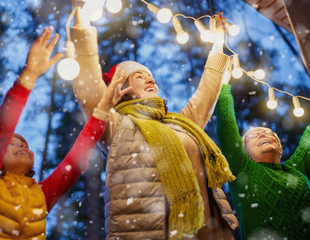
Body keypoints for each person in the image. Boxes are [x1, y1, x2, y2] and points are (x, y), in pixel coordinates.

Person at [70, 10, 238, 240]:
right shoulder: (118, 126)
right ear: (122, 89)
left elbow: (207, 93)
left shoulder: (180, 123)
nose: (150, 79)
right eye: (139, 76)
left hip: (208, 233)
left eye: (150, 75)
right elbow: (89, 91)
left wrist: (218, 41)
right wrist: (83, 24)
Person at [0, 26, 132, 240]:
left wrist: (102, 111)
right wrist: (28, 77)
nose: (23, 146)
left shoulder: (39, 195)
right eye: (12, 144)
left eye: (24, 144)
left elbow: (75, 162)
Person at [215, 68, 310, 239]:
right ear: (245, 152)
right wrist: (223, 84)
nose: (264, 134)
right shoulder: (243, 169)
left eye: (270, 134)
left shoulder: (296, 170)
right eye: (254, 135)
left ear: (280, 150)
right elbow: (226, 126)